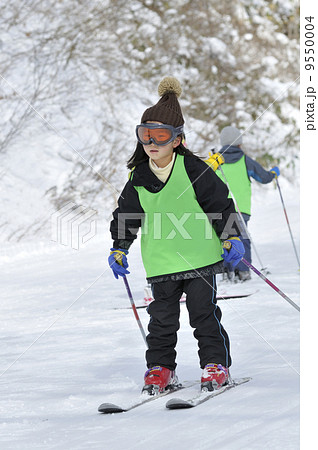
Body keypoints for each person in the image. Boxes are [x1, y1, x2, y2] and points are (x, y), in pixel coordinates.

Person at [108, 77, 244, 395]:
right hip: (161, 260)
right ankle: (161, 368)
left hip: (201, 257)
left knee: (203, 314)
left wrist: (232, 237)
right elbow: (127, 215)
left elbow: (221, 206)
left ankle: (215, 364)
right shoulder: (139, 177)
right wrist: (119, 247)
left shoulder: (195, 170)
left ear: (177, 139)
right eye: (146, 135)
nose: (152, 142)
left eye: (160, 135)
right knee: (162, 318)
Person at [214, 125, 280, 282]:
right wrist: (273, 173)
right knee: (242, 237)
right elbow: (263, 177)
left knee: (225, 238)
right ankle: (243, 271)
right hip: (241, 208)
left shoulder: (215, 160)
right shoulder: (245, 160)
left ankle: (226, 271)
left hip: (220, 207)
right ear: (239, 143)